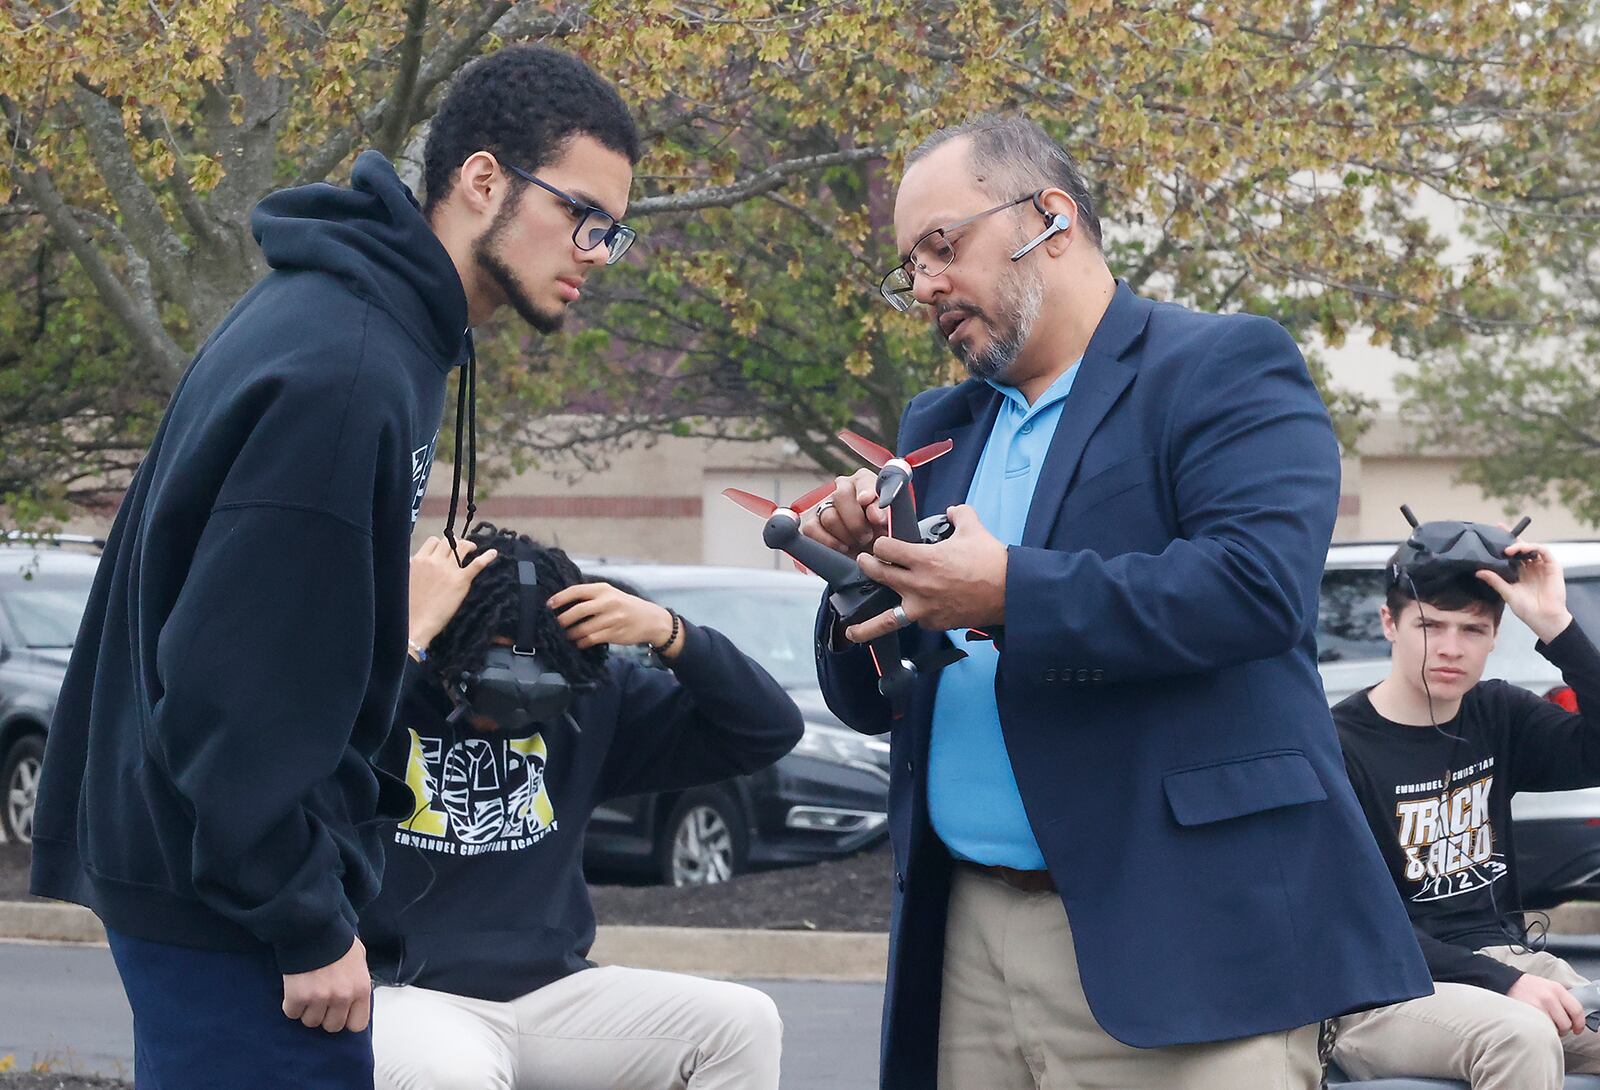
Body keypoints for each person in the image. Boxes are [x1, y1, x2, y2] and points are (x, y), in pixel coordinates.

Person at [29, 44, 641, 1087]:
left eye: (611, 231)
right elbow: (235, 687)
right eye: (581, 213)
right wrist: (301, 916)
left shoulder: (360, 331)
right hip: (229, 904)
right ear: (482, 180)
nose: (594, 250)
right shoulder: (347, 370)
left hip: (209, 879)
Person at [805, 115, 1430, 1089]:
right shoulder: (935, 425)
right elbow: (885, 689)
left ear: (1048, 217)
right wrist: (857, 578)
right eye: (908, 266)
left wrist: (1010, 590)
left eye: (941, 246)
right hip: (964, 935)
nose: (923, 286)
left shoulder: (1223, 366)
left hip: (1188, 938)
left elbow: (1252, 588)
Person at [360, 525, 801, 1090]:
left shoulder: (595, 700)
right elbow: (320, 754)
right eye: (486, 672)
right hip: (408, 995)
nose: (512, 699)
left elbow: (768, 730)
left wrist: (671, 633)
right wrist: (412, 633)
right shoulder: (388, 687)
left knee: (742, 1022)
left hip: (552, 993)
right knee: (451, 1074)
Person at [1330, 538, 1600, 1089]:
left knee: (1526, 1023)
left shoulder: (1497, 714)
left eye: (1472, 630)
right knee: (1522, 1035)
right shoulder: (1337, 746)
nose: (1451, 648)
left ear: (1494, 637)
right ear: (1390, 623)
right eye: (1430, 627)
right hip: (1381, 992)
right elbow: (1351, 924)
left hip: (1508, 964)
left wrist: (1556, 625)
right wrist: (1501, 982)